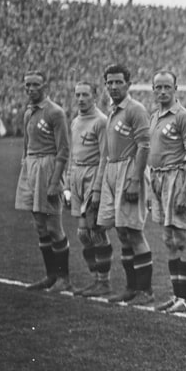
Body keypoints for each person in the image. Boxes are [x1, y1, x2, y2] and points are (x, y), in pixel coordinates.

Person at [92, 64, 153, 304]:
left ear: (128, 84)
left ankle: (146, 291)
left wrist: (135, 180)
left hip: (129, 170)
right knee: (121, 232)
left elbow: (144, 146)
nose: (114, 86)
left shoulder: (135, 109)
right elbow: (107, 151)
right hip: (112, 171)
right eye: (110, 82)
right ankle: (131, 287)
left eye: (119, 82)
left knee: (134, 232)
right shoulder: (112, 110)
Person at [147, 71, 186, 313]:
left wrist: (184, 191)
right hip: (156, 179)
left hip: (175, 178)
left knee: (180, 237)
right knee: (167, 239)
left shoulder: (183, 116)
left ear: (175, 88)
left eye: (167, 87)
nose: (163, 91)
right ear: (153, 89)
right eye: (158, 87)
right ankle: (177, 294)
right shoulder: (155, 116)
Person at [15, 71, 72, 293]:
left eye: (35, 85)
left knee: (54, 227)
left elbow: (63, 150)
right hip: (31, 168)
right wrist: (26, 168)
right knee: (40, 226)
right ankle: (51, 276)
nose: (30, 89)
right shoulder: (28, 112)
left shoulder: (55, 112)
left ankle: (64, 278)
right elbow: (26, 145)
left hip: (48, 169)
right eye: (27, 85)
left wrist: (55, 181)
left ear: (44, 85)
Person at [67, 81, 111, 297]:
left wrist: (97, 188)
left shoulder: (101, 121)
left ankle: (104, 282)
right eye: (78, 94)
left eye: (86, 94)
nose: (81, 98)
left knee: (95, 231)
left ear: (94, 96)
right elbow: (72, 155)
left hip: (93, 176)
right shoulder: (75, 121)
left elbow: (105, 156)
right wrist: (68, 184)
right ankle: (96, 279)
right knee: (83, 234)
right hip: (77, 177)